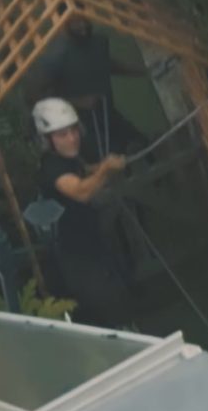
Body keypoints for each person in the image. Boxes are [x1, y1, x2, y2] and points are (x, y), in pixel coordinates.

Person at [31, 98, 138, 325]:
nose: (72, 138)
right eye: (62, 134)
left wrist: (105, 165)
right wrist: (106, 170)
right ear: (48, 140)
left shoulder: (68, 159)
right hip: (75, 258)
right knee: (104, 308)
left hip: (93, 246)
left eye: (73, 131)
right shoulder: (52, 167)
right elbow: (80, 191)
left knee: (120, 296)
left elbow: (84, 171)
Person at [29, 17, 148, 155]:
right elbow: (35, 95)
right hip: (80, 124)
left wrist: (141, 71)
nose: (82, 26)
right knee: (110, 156)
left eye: (84, 20)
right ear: (63, 23)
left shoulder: (98, 42)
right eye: (76, 21)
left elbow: (105, 63)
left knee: (140, 143)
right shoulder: (56, 57)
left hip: (106, 113)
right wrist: (78, 102)